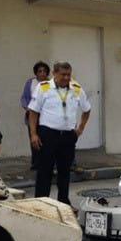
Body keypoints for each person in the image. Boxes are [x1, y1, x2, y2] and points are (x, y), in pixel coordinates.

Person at [28, 61, 91, 205]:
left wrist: (80, 128)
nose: (66, 77)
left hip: (68, 136)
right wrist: (33, 134)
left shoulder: (76, 89)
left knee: (65, 171)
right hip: (47, 134)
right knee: (45, 171)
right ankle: (41, 203)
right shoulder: (43, 88)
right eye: (63, 74)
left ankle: (63, 202)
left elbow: (87, 109)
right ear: (54, 74)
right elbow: (33, 112)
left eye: (68, 74)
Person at [20, 61, 50, 169]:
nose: (42, 73)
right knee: (34, 139)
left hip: (46, 116)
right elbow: (24, 97)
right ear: (36, 73)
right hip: (32, 115)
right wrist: (27, 107)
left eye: (44, 71)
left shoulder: (50, 83)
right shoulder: (30, 83)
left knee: (45, 140)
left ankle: (46, 162)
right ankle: (36, 163)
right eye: (40, 71)